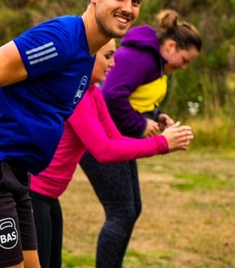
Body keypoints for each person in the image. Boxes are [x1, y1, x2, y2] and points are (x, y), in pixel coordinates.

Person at [0, 0, 148, 268]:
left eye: (136, 1)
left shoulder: (86, 56)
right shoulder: (61, 39)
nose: (128, 8)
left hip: (18, 173)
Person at [29, 38, 194, 268]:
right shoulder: (74, 93)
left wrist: (160, 141)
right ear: (88, 56)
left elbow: (115, 140)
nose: (114, 64)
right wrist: (161, 144)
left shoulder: (92, 93)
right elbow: (103, 150)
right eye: (108, 56)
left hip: (49, 198)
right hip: (33, 195)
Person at [79, 9, 202, 268]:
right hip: (101, 140)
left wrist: (158, 116)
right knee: (121, 212)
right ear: (170, 45)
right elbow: (111, 95)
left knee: (131, 209)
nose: (184, 66)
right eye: (185, 59)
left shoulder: (154, 62)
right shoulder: (141, 57)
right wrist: (140, 124)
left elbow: (136, 99)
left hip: (119, 138)